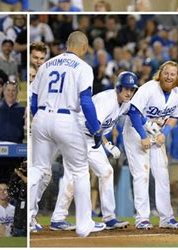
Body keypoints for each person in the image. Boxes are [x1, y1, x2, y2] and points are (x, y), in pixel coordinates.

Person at [30, 31, 106, 237]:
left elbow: (34, 100)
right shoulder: (83, 67)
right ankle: (84, 225)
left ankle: (27, 218)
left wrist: (41, 120)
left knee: (37, 168)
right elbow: (86, 101)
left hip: (42, 117)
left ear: (66, 44)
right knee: (80, 170)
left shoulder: (46, 65)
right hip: (66, 118)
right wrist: (95, 127)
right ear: (84, 47)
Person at [50, 72, 138, 231]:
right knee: (72, 177)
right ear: (118, 87)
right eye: (126, 88)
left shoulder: (124, 103)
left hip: (90, 138)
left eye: (132, 90)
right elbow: (93, 124)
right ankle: (58, 219)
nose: (129, 92)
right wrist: (106, 144)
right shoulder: (107, 100)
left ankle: (109, 218)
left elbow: (103, 127)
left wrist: (107, 143)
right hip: (76, 135)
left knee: (106, 172)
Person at [123, 61, 178, 229]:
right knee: (141, 174)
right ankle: (142, 218)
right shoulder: (149, 88)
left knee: (162, 174)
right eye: (166, 73)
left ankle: (167, 217)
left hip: (156, 133)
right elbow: (133, 112)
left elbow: (174, 117)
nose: (169, 77)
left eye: (173, 74)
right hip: (136, 132)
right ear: (160, 73)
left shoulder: (177, 94)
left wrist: (165, 134)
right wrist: (143, 136)